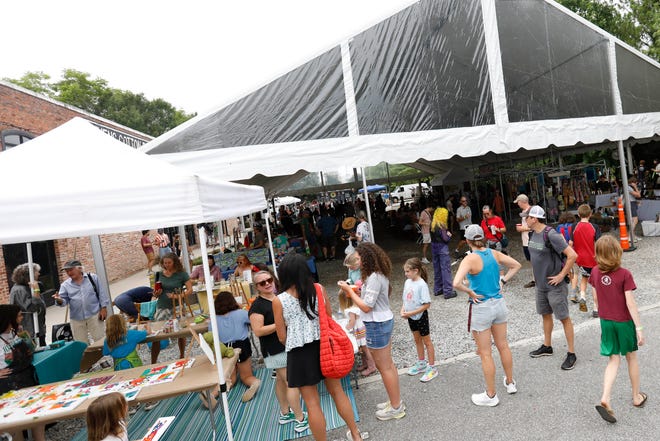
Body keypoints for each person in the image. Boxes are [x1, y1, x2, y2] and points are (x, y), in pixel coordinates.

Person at [273, 254, 363, 441]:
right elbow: (328, 317)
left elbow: (281, 336)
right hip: (324, 345)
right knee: (337, 392)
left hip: (299, 352)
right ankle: (355, 434)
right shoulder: (318, 289)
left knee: (312, 403)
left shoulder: (279, 300)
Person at [452, 225, 522, 406]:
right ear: (483, 237)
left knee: (485, 353)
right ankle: (510, 382)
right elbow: (516, 265)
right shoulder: (493, 253)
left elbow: (456, 283)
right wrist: (503, 281)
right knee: (503, 345)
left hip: (481, 306)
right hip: (499, 304)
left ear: (467, 241)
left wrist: (470, 292)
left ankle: (491, 395)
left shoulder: (469, 259)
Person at [337, 242, 405, 422]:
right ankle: (395, 401)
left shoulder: (374, 277)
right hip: (382, 321)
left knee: (385, 367)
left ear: (367, 258)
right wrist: (358, 291)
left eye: (358, 258)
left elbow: (367, 307)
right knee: (388, 365)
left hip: (377, 324)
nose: (357, 261)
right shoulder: (377, 275)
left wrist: (349, 293)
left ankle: (396, 407)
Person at [589, 235, 646, 423]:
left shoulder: (595, 272)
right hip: (623, 321)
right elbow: (630, 303)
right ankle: (636, 396)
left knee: (613, 360)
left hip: (606, 321)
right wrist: (638, 327)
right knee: (631, 356)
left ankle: (605, 397)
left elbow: (595, 299)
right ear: (617, 252)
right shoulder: (624, 274)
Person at [249, 271, 306, 430]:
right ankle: (300, 419)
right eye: (262, 283)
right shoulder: (257, 306)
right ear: (257, 287)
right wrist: (281, 324)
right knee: (291, 382)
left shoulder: (277, 297)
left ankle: (285, 413)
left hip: (284, 345)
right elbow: (258, 330)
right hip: (274, 349)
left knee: (282, 381)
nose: (267, 283)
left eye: (269, 280)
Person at [524, 206, 579, 371]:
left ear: (534, 218)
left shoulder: (551, 234)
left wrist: (561, 275)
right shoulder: (532, 233)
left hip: (555, 286)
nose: (525, 219)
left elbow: (572, 255)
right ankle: (547, 346)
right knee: (545, 315)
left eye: (527, 217)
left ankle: (571, 353)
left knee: (564, 318)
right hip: (541, 286)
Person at [0, 305, 46, 441]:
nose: (22, 317)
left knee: (38, 413)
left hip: (27, 378)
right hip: (10, 385)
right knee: (16, 421)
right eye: (19, 315)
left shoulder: (15, 333)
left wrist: (25, 337)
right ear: (9, 319)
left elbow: (32, 349)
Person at [212, 291, 261, 402]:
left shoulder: (213, 319)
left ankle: (213, 394)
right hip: (241, 345)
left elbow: (212, 337)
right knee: (246, 376)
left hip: (224, 348)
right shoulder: (240, 313)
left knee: (230, 378)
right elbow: (253, 320)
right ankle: (253, 382)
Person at [53, 260, 110, 344]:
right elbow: (63, 301)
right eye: (67, 271)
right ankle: (88, 357)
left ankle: (103, 355)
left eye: (71, 270)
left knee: (100, 339)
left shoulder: (93, 278)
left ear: (80, 269)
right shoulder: (65, 285)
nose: (69, 273)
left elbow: (101, 293)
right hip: (76, 318)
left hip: (94, 314)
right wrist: (59, 300)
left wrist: (104, 308)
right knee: (81, 344)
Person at [400, 258, 438, 382]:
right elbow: (405, 299)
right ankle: (421, 363)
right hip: (411, 316)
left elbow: (427, 304)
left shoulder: (422, 284)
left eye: (407, 271)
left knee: (427, 341)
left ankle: (432, 368)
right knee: (417, 340)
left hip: (420, 316)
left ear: (415, 271)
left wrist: (410, 312)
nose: (405, 274)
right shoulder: (407, 282)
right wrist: (403, 310)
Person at [151, 253, 192, 363]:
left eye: (169, 263)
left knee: (180, 332)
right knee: (157, 334)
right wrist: (156, 293)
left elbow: (190, 290)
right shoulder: (159, 274)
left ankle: (182, 355)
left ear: (174, 262)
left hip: (177, 306)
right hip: (162, 306)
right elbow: (156, 291)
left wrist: (177, 296)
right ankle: (153, 361)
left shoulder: (181, 274)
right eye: (165, 263)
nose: (167, 265)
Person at [569, 204, 601, 317]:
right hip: (593, 259)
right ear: (590, 214)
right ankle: (596, 308)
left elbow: (571, 243)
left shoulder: (574, 226)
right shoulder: (594, 227)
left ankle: (582, 296)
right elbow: (598, 244)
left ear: (578, 214)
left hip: (579, 259)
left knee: (584, 278)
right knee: (595, 284)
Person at [338, 287, 376, 377]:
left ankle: (372, 366)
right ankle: (365, 364)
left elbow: (352, 322)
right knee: (362, 348)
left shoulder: (351, 310)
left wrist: (344, 329)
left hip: (359, 331)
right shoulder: (356, 306)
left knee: (365, 349)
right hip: (362, 329)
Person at [10, 263, 47, 346]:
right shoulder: (19, 290)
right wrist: (36, 291)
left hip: (38, 328)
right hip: (30, 332)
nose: (39, 273)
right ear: (29, 274)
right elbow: (33, 308)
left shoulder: (28, 286)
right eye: (36, 272)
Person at [430, 207, 456, 299]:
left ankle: (438, 289)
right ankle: (448, 291)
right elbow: (445, 239)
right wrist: (449, 235)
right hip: (442, 249)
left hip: (434, 248)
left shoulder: (432, 225)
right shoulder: (442, 226)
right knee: (445, 269)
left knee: (437, 269)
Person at [514, 194, 536, 288]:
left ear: (522, 202)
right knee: (531, 260)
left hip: (531, 240)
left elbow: (533, 226)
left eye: (518, 202)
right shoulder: (524, 211)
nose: (517, 204)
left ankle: (539, 279)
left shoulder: (531, 211)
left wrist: (521, 229)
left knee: (536, 259)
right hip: (526, 240)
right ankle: (536, 279)